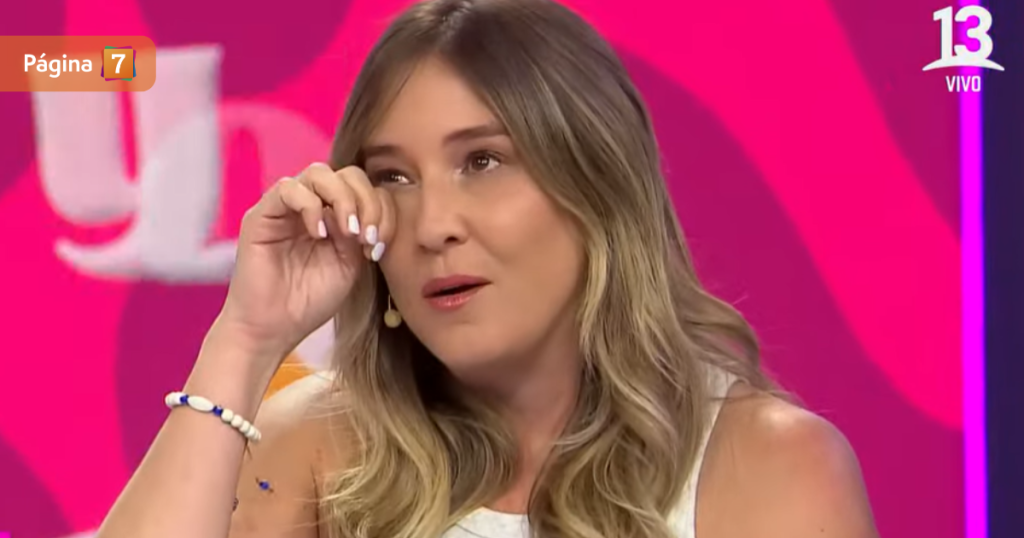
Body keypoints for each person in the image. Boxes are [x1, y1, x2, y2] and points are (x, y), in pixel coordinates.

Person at [95, 0, 879, 536]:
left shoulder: (768, 466)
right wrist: (245, 339)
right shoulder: (316, 450)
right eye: (394, 177)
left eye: (482, 161)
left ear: (596, 184)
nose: (434, 225)